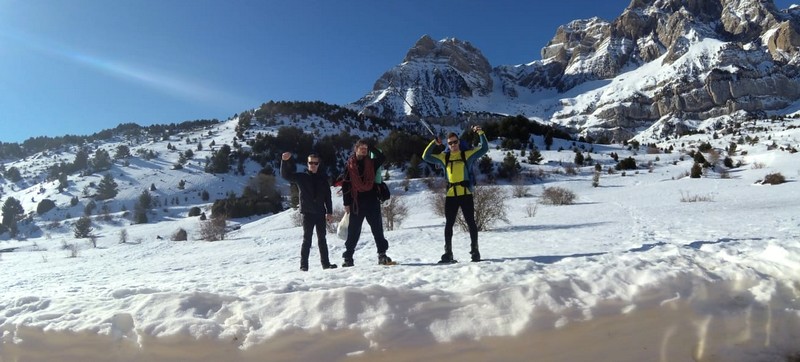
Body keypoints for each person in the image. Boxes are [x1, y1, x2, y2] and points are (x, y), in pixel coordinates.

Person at [422, 125, 489, 263]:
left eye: (455, 142)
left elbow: (484, 148)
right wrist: (434, 143)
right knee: (449, 224)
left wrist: (480, 132)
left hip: (466, 194)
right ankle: (448, 253)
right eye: (450, 143)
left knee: (471, 223)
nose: (453, 145)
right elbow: (425, 156)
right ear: (448, 144)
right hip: (451, 195)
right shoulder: (444, 157)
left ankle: (475, 251)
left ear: (459, 142)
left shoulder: (467, 155)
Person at [340, 139, 394, 267]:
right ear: (356, 149)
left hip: (371, 200)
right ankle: (348, 257)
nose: (364, 150)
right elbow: (346, 185)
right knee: (353, 231)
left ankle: (382, 254)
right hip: (356, 202)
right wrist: (346, 203)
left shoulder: (372, 162)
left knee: (377, 229)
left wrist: (370, 147)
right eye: (362, 148)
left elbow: (382, 157)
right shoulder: (349, 165)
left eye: (366, 149)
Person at [281, 152, 337, 271]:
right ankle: (304, 266)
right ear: (307, 163)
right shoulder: (301, 177)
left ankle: (326, 264)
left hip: (320, 213)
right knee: (307, 240)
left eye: (315, 163)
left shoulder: (323, 178)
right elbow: (286, 175)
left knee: (322, 239)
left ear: (318, 164)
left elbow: (328, 196)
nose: (312, 165)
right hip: (307, 213)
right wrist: (285, 161)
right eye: (310, 162)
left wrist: (330, 212)